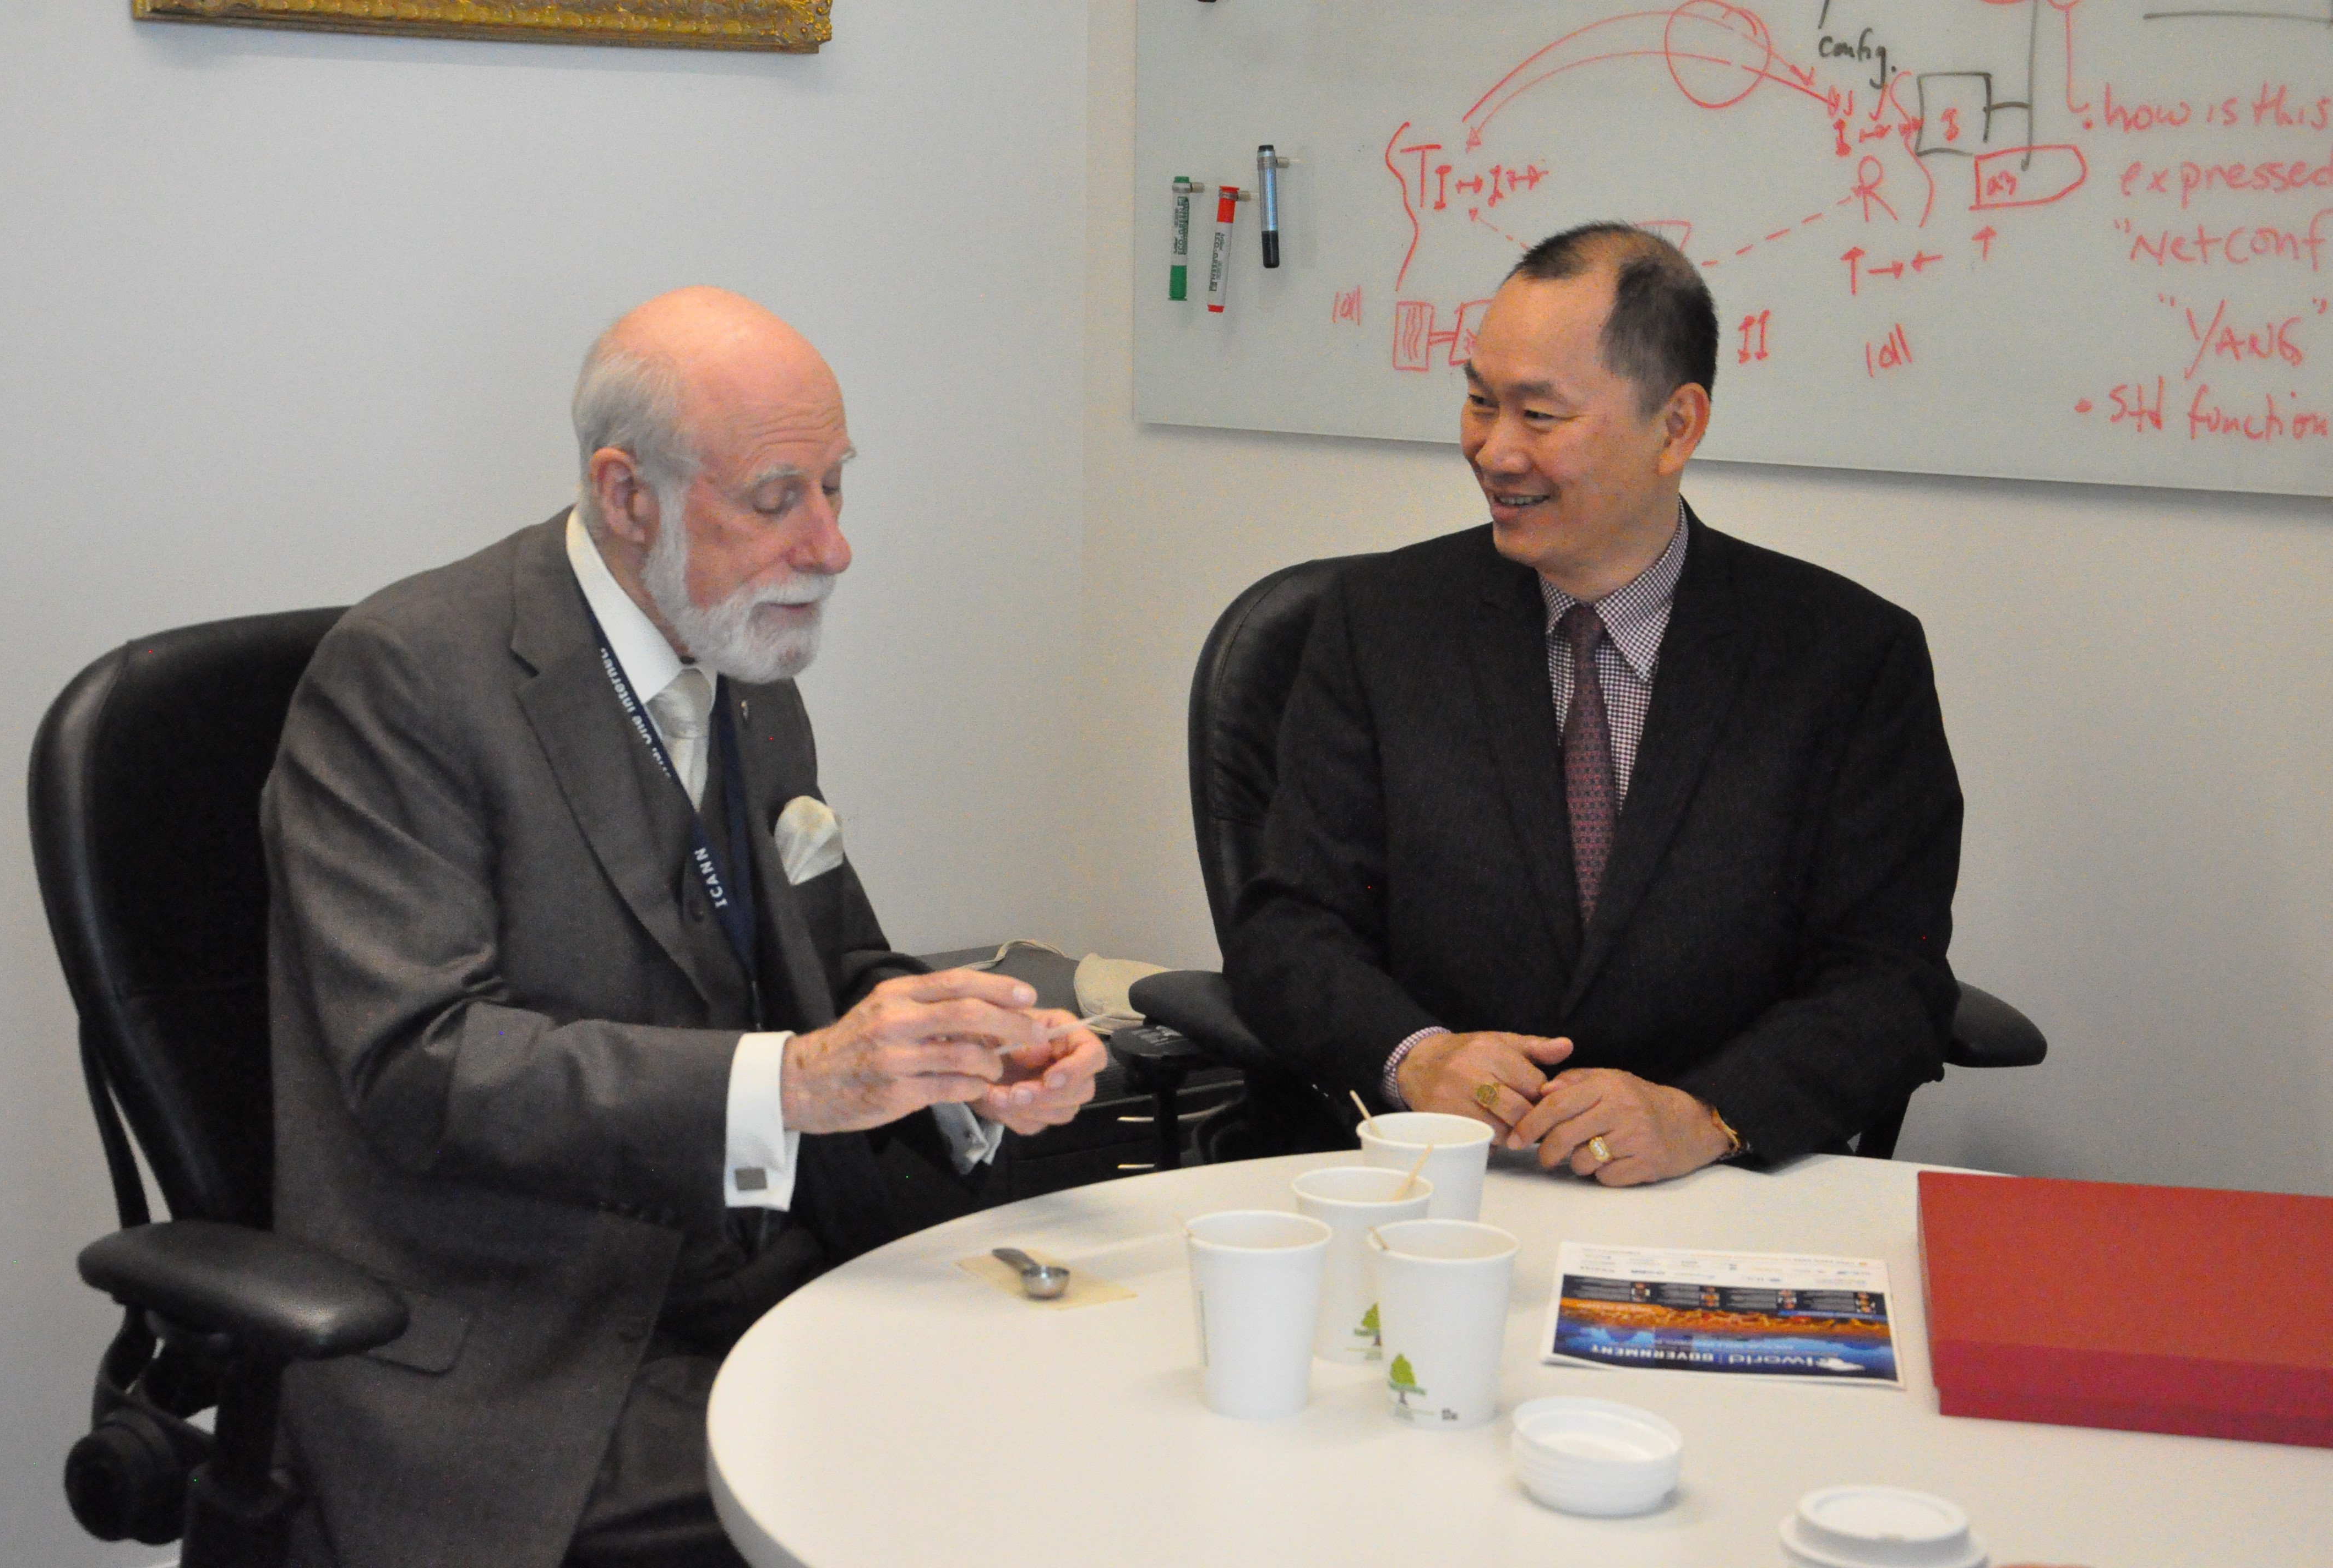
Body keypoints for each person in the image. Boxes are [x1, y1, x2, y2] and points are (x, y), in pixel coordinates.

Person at [263, 287, 1106, 1567]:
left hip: (771, 1274)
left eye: (836, 487)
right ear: (627, 495)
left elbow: (835, 969)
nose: (831, 547)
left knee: (1075, 1415)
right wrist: (799, 1077)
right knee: (944, 1507)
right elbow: (421, 1063)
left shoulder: (744, 663)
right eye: (779, 497)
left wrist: (968, 1058)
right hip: (531, 1341)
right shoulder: (406, 680)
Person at [1229, 222, 1961, 1188]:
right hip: (1428, 1185)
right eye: (1479, 402)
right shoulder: (1380, 626)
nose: (1494, 451)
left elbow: (1890, 981)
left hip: (1711, 1189)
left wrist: (1707, 1114)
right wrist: (1419, 1055)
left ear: (1678, 426)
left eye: (1541, 415)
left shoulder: (1846, 658)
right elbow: (1289, 928)